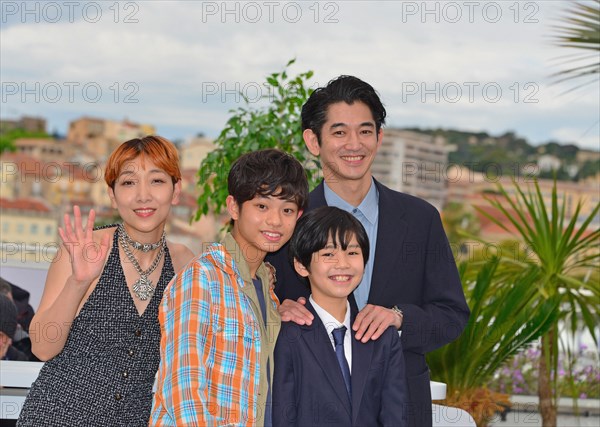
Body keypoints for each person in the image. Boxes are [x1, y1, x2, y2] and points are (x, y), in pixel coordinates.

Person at [266, 75, 470, 427]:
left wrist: (400, 319)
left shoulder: (421, 219)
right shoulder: (287, 224)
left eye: (365, 130)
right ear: (313, 141)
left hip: (403, 410)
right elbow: (260, 304)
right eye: (339, 132)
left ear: (379, 137)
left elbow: (452, 316)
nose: (354, 144)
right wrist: (275, 310)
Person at [17, 136, 194, 427]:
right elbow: (42, 347)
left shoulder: (184, 262)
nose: (143, 195)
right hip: (55, 417)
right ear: (112, 196)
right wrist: (78, 282)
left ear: (176, 191)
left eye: (157, 181)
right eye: (128, 182)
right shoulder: (85, 248)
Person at [150, 148, 309, 426]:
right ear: (234, 207)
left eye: (287, 210)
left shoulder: (267, 290)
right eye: (262, 206)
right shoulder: (202, 278)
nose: (275, 220)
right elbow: (184, 396)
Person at [272, 206, 408, 426]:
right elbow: (283, 417)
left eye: (352, 252)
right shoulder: (288, 335)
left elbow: (395, 416)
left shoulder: (382, 337)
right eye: (328, 254)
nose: (343, 264)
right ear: (301, 265)